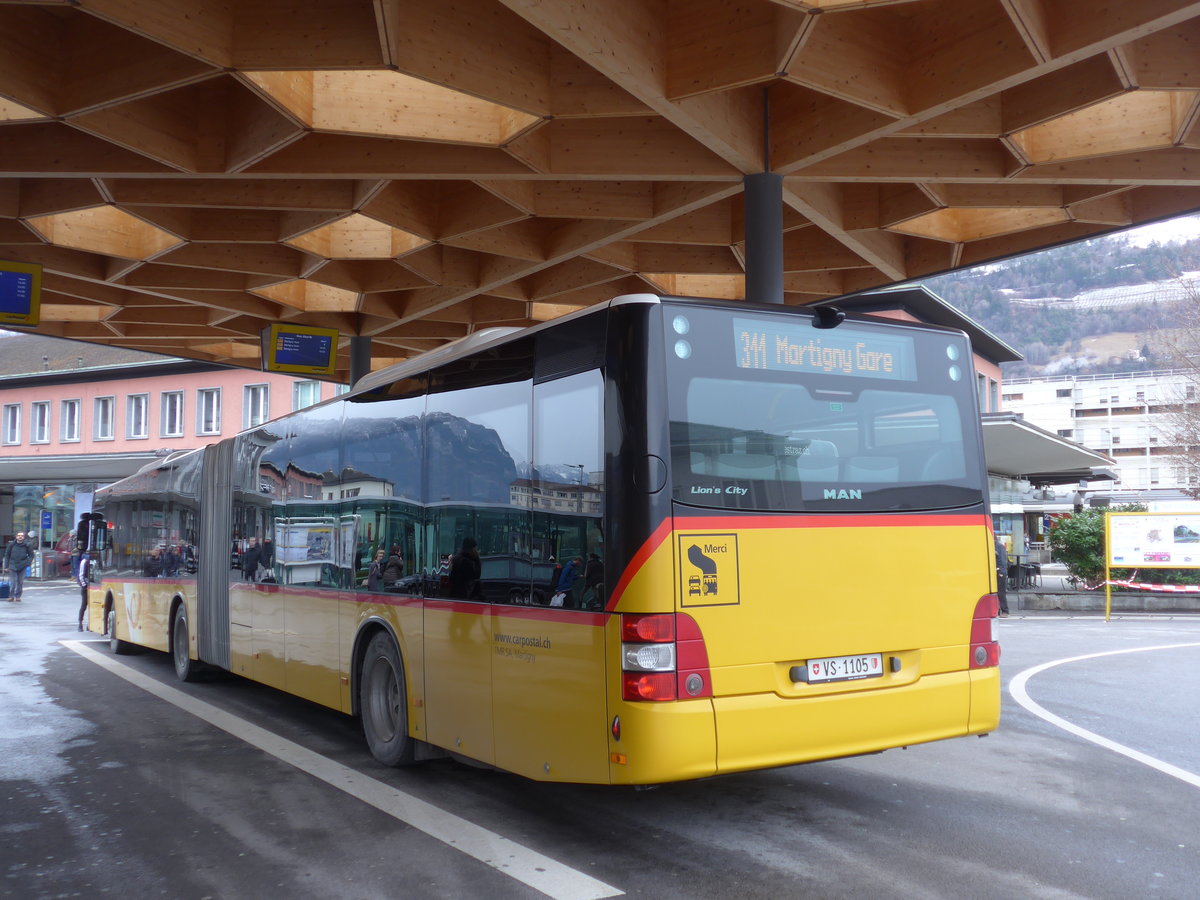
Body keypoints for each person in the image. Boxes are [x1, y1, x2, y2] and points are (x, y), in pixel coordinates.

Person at [3, 531, 33, 602]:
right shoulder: (11, 545)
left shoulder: (27, 545)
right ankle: (11, 596)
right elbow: (7, 555)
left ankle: (18, 596)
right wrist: (6, 566)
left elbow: (31, 555)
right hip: (12, 565)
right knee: (13, 582)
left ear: (24, 537)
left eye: (22, 536)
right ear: (16, 537)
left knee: (20, 582)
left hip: (22, 566)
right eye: (19, 535)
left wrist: (28, 563)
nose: (20, 537)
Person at [995, 537, 1010, 618]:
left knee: (1001, 592)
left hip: (999, 572)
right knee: (999, 592)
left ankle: (1005, 611)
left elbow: (1001, 561)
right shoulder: (999, 546)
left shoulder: (998, 547)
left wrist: (1000, 571)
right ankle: (1000, 610)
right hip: (999, 571)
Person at [77, 549, 92, 632]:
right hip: (86, 587)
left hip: (92, 586)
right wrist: (85, 585)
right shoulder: (85, 561)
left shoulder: (91, 561)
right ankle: (80, 623)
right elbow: (81, 575)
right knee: (84, 605)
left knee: (91, 605)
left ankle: (90, 624)